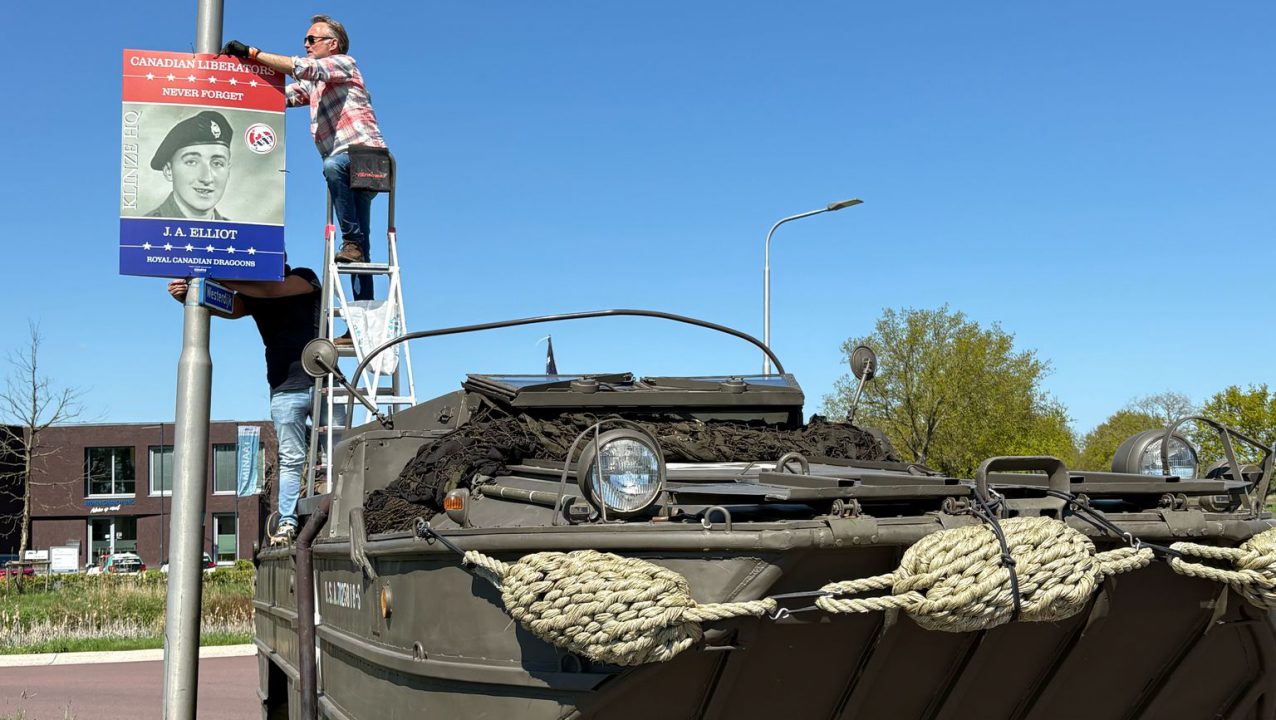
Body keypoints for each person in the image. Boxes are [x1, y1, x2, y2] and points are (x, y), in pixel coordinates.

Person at [221, 16, 386, 305]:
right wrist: (228, 84)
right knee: (361, 248)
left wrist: (253, 53)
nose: (306, 44)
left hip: (366, 158)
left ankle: (352, 242)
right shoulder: (315, 86)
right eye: (305, 40)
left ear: (332, 44)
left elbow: (303, 68)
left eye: (312, 39)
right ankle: (364, 312)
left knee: (333, 167)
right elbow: (279, 97)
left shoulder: (344, 64)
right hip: (346, 169)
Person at [167, 267, 321, 543]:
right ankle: (288, 522)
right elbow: (229, 307)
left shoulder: (304, 277)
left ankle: (337, 506)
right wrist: (188, 295)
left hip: (324, 381)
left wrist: (212, 276)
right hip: (284, 387)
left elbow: (271, 289)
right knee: (291, 459)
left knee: (338, 451)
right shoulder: (251, 293)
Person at [147, 111, 233, 220]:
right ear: (168, 171)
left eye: (217, 163)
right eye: (191, 162)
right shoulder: (147, 226)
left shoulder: (235, 229)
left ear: (228, 172)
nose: (207, 178)